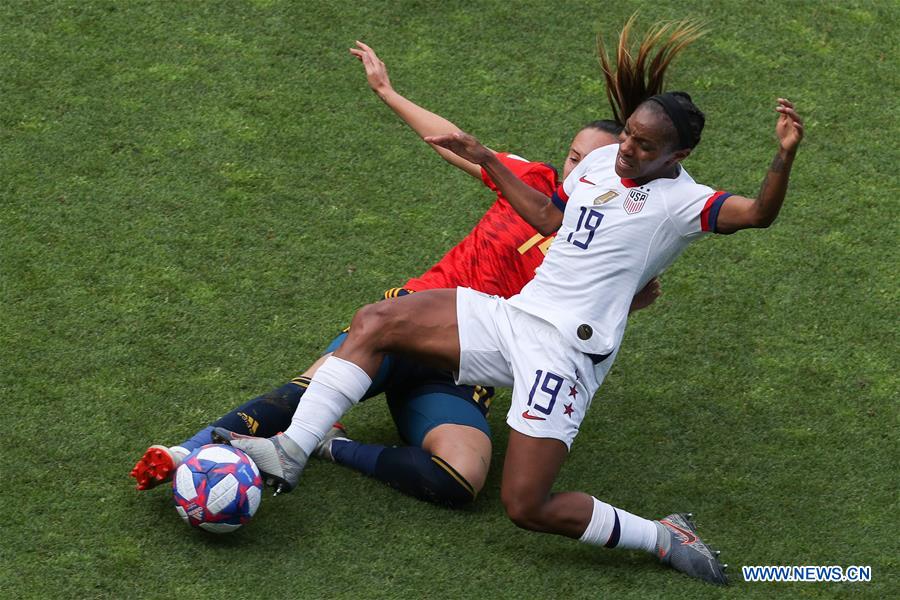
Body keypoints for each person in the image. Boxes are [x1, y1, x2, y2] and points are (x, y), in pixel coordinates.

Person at [217, 19, 803, 586]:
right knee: (376, 319)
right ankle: (291, 451)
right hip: (514, 317)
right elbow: (552, 217)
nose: (625, 150)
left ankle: (663, 536)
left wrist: (782, 157)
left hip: (565, 358)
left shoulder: (686, 202)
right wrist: (489, 157)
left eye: (643, 145)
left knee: (526, 506)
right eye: (627, 134)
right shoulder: (600, 163)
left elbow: (759, 215)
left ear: (678, 155)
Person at [131, 41, 659, 508]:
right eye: (571, 156)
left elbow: (598, 320)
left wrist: (631, 298)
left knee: (462, 478)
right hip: (408, 320)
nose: (573, 170)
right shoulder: (527, 180)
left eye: (588, 163)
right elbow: (453, 140)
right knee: (303, 387)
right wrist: (387, 91)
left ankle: (327, 444)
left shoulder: (611, 248)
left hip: (469, 363)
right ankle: (188, 452)